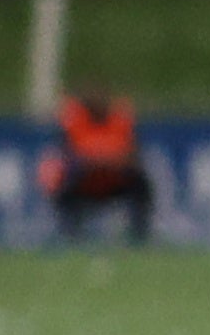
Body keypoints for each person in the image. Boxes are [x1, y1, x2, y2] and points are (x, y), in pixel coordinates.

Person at [44, 79, 153, 244]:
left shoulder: (120, 118)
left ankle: (140, 236)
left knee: (141, 182)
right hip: (84, 182)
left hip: (115, 181)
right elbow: (66, 157)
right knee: (62, 185)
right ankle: (69, 235)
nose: (97, 102)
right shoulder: (75, 119)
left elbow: (133, 156)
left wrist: (105, 161)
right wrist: (101, 160)